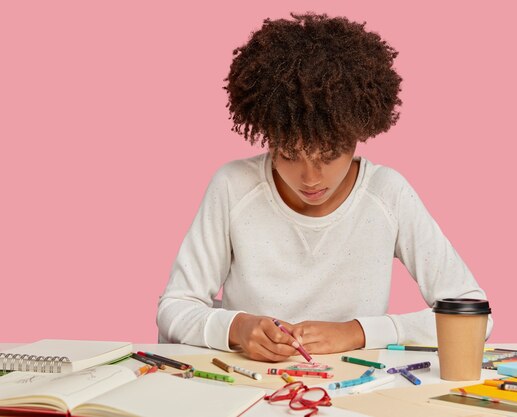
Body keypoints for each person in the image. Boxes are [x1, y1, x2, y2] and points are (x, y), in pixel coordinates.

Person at [157, 12, 492, 362]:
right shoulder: (233, 187)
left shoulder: (387, 194)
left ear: (358, 133)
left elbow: (474, 313)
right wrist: (237, 328)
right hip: (248, 386)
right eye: (288, 154)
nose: (311, 178)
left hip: (356, 389)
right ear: (268, 138)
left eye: (329, 155)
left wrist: (359, 332)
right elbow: (174, 307)